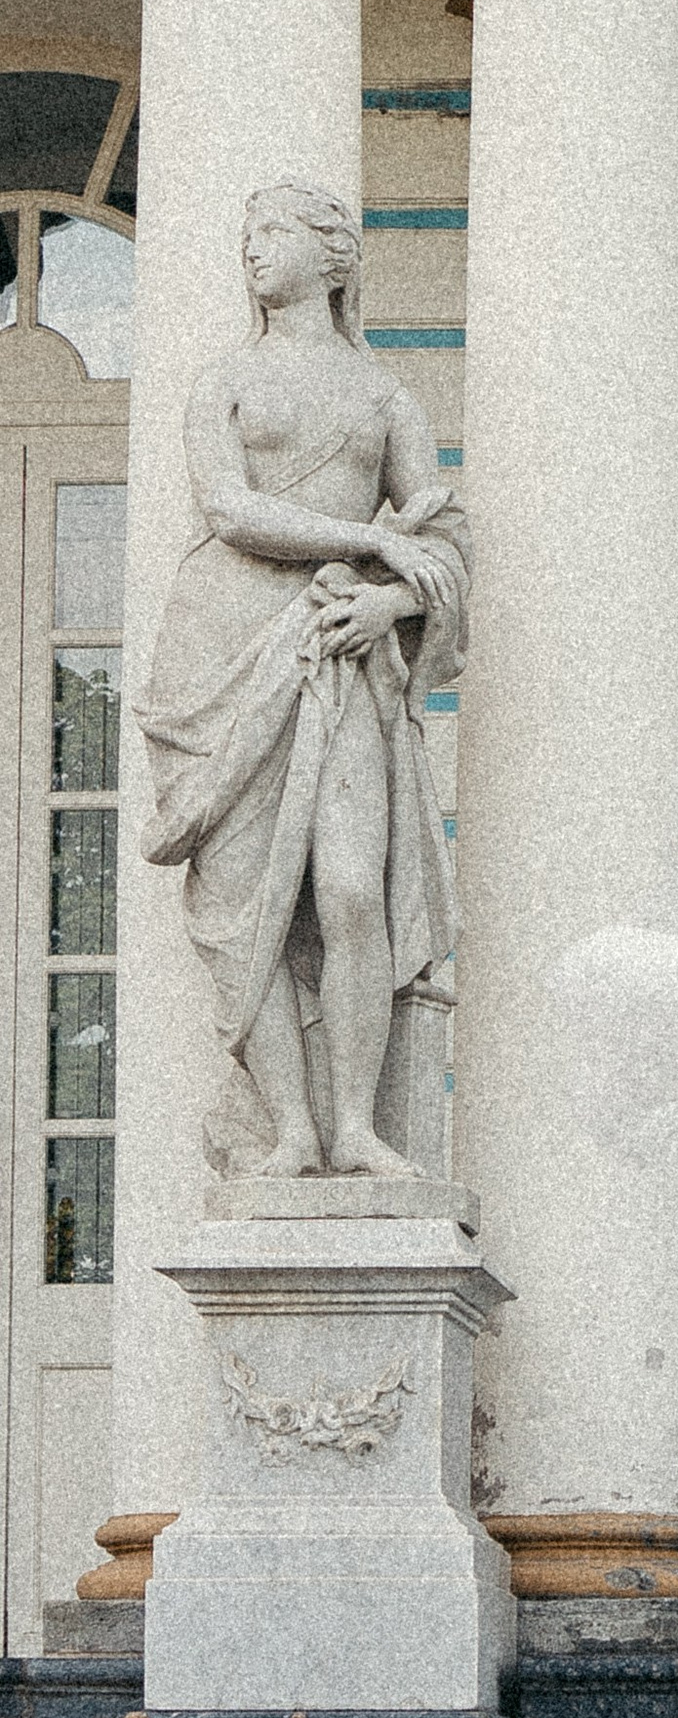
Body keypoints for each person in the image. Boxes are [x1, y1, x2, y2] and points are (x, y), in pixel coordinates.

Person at [137, 180, 470, 1181]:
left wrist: (388, 607)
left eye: (273, 232)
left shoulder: (383, 396)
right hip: (223, 650)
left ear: (335, 258)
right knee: (255, 910)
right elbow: (231, 512)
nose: (253, 250)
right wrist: (370, 540)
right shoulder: (222, 381)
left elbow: (446, 539)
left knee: (352, 890)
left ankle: (357, 1124)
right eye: (246, 234)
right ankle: (291, 1126)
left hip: (340, 650)